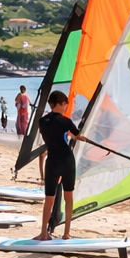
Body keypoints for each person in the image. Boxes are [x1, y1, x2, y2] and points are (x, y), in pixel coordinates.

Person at [37, 90, 85, 240]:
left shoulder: (41, 121)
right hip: (66, 162)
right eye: (65, 104)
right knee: (68, 197)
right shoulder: (66, 121)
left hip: (51, 162)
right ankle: (66, 233)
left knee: (49, 198)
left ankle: (44, 233)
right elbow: (77, 134)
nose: (66, 107)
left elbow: (51, 137)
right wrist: (80, 137)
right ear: (61, 104)